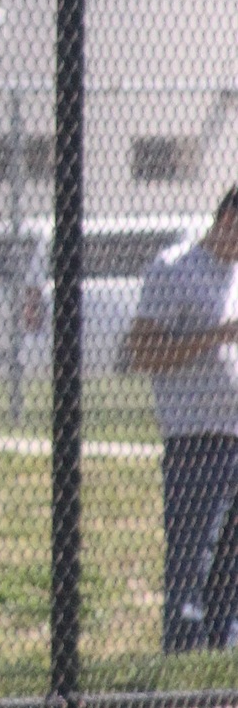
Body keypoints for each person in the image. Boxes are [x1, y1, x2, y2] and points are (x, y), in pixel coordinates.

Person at [126, 187, 238, 652]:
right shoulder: (175, 269)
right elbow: (143, 351)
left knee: (230, 560)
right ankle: (184, 652)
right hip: (195, 438)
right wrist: (214, 336)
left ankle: (222, 649)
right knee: (194, 553)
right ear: (227, 217)